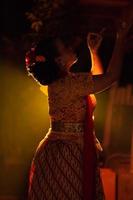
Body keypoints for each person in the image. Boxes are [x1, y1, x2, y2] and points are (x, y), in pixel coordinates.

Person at [26, 9, 133, 200]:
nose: (70, 48)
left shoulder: (64, 83)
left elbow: (93, 84)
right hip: (68, 155)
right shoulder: (70, 84)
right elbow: (111, 77)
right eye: (65, 48)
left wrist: (93, 52)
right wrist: (121, 38)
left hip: (60, 151)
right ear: (59, 61)